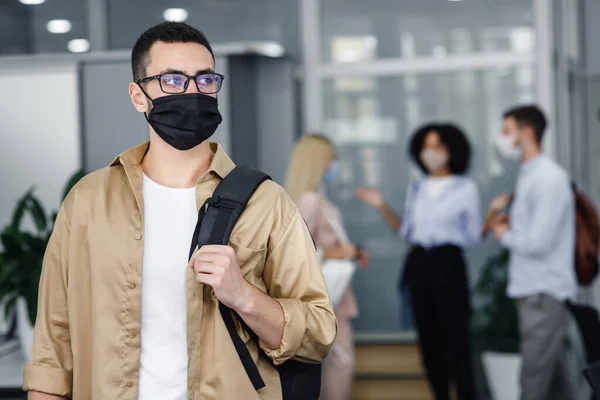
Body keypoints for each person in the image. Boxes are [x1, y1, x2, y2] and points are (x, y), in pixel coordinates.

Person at [23, 22, 337, 400]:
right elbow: (54, 343)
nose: (193, 92)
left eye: (205, 80)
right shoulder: (88, 201)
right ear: (138, 96)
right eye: (173, 80)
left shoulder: (266, 202)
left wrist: (245, 296)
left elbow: (318, 334)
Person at [355, 123, 481, 400]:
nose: (430, 152)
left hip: (448, 263)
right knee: (429, 342)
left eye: (437, 146)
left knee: (457, 341)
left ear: (451, 149)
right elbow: (407, 232)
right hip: (419, 264)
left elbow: (472, 236)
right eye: (425, 146)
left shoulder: (465, 187)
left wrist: (493, 218)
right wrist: (381, 205)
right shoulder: (418, 186)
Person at [486, 105, 576, 400]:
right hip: (534, 288)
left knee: (533, 382)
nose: (501, 138)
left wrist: (504, 234)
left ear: (526, 134)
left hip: (542, 290)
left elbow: (538, 242)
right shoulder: (530, 174)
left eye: (506, 131)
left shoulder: (548, 178)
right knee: (554, 382)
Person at [284, 134, 368, 400]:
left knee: (335, 368)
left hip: (334, 298)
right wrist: (336, 252)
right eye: (330, 158)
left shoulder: (318, 198)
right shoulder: (310, 200)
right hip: (324, 301)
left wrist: (348, 252)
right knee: (338, 368)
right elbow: (295, 252)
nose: (334, 164)